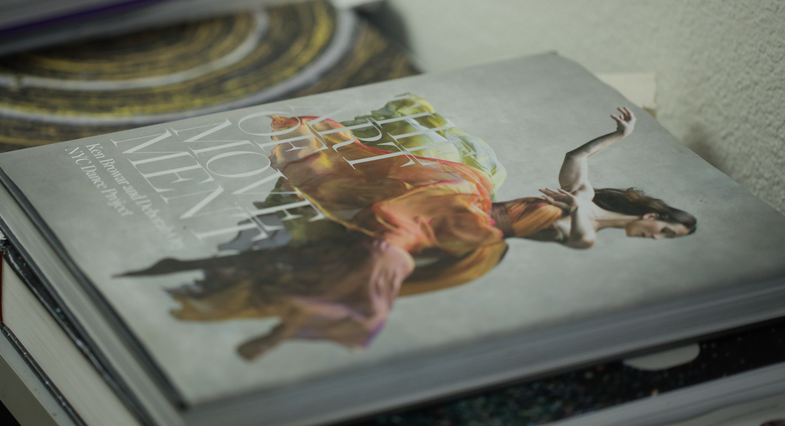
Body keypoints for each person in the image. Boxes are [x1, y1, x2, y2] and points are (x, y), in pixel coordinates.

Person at [122, 102, 695, 359]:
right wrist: (613, 141)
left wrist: (580, 204)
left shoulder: (589, 214)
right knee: (396, 215)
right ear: (655, 216)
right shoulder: (588, 195)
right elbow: (574, 157)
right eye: (666, 233)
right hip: (468, 206)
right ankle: (313, 291)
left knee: (397, 254)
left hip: (478, 238)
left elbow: (581, 240)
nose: (656, 240)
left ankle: (302, 317)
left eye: (666, 242)